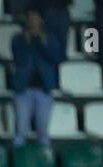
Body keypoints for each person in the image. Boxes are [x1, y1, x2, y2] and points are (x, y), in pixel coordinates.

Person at [11, 9, 62, 147]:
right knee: (21, 129)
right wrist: (27, 42)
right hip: (23, 89)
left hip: (44, 89)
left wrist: (44, 43)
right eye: (31, 19)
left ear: (41, 21)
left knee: (43, 129)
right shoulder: (18, 39)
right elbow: (19, 59)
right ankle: (18, 157)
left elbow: (56, 58)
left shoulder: (50, 39)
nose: (33, 22)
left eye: (36, 19)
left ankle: (45, 157)